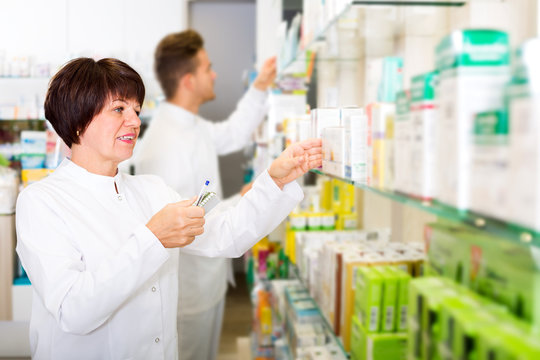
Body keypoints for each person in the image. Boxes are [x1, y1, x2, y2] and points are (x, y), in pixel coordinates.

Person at [15, 57, 322, 360]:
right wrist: (153, 238)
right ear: (77, 119)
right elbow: (74, 310)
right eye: (119, 109)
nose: (134, 121)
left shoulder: (151, 189)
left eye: (136, 110)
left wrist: (274, 182)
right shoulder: (42, 201)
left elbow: (224, 235)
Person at [134, 30, 276, 359]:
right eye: (207, 68)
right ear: (188, 80)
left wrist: (260, 87)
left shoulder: (190, 126)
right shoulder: (163, 147)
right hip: (188, 295)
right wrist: (245, 198)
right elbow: (184, 228)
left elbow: (233, 133)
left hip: (208, 283)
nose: (214, 74)